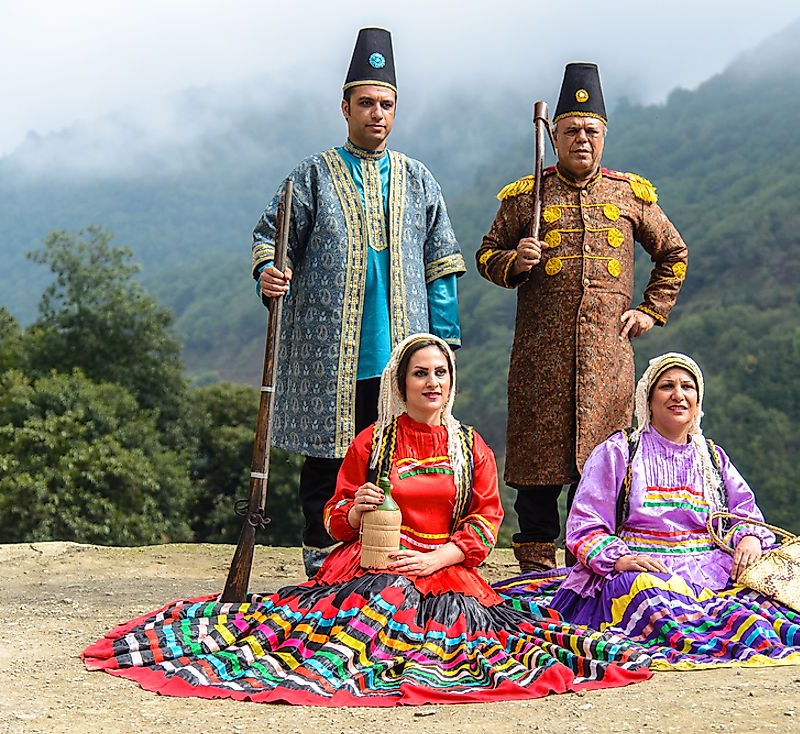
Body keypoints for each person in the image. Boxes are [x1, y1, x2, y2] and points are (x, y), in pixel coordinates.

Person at [83, 334, 652, 705]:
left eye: (441, 373)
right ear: (400, 384)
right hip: (371, 565)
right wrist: (352, 512)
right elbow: (333, 519)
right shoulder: (374, 442)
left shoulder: (469, 445)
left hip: (445, 567)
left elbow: (484, 521)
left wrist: (437, 556)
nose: (433, 382)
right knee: (354, 624)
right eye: (421, 374)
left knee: (477, 645)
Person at [495, 353, 800, 669]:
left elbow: (743, 512)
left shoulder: (712, 456)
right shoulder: (619, 452)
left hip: (708, 562)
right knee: (651, 599)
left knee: (771, 606)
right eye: (667, 387)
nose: (678, 395)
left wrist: (750, 542)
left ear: (698, 402)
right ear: (648, 400)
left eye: (687, 387)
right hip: (640, 565)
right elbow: (585, 526)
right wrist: (620, 559)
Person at [251, 27, 465, 576]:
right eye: (366, 103)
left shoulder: (419, 180)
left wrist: (444, 345)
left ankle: (390, 565)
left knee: (397, 463)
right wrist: (270, 272)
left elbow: (442, 265)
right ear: (344, 106)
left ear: (397, 111)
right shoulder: (311, 176)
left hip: (403, 356)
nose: (377, 113)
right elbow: (271, 238)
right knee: (327, 462)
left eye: (386, 104)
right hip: (330, 356)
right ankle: (323, 568)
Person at [475, 62, 688, 574]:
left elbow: (673, 253)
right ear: (553, 135)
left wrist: (650, 310)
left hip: (607, 366)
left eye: (591, 131)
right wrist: (513, 263)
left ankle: (587, 571)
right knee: (536, 479)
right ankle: (534, 578)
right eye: (571, 130)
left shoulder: (630, 196)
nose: (582, 140)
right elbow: (485, 255)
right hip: (538, 364)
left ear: (604, 135)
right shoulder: (525, 196)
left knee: (600, 475)